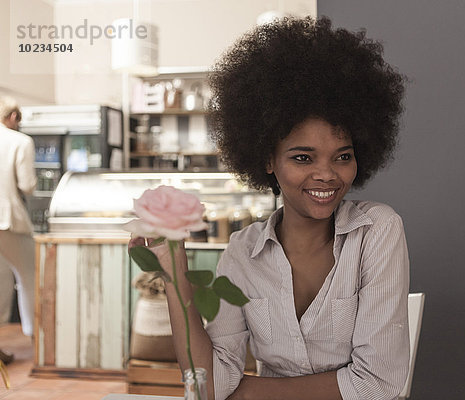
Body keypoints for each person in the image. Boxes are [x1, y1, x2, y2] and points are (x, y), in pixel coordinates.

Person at [136, 17, 410, 400]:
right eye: (303, 158)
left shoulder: (376, 231)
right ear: (268, 160)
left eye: (342, 156)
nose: (327, 175)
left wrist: (248, 391)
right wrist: (173, 274)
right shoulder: (242, 254)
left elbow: (378, 385)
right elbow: (207, 388)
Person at [0, 97, 37, 363]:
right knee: (30, 277)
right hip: (8, 220)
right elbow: (27, 185)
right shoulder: (20, 141)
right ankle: (39, 339)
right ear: (13, 116)